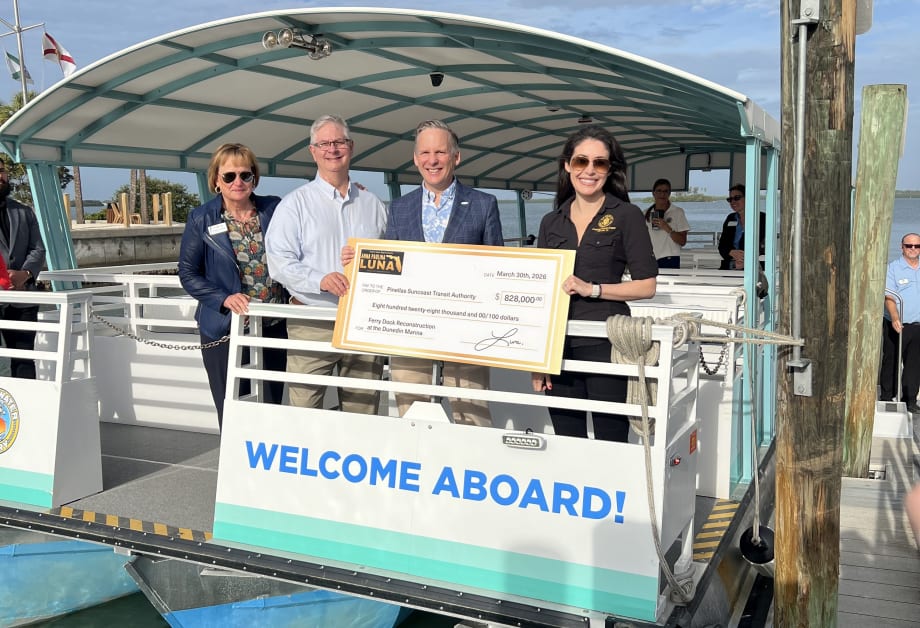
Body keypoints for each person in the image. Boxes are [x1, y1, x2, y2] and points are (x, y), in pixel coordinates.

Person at [531, 125, 657, 442]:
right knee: (566, 439)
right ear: (567, 166)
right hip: (560, 348)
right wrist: (538, 358)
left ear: (609, 169)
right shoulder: (551, 221)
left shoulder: (627, 215)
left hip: (607, 345)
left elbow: (646, 286)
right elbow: (543, 293)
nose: (589, 170)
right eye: (581, 161)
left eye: (599, 163)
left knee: (610, 439)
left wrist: (594, 289)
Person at [381, 119, 503, 426]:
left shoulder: (483, 204)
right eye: (425, 153)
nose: (432, 160)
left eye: (440, 152)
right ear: (415, 158)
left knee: (471, 414)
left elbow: (499, 268)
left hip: (466, 332)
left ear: (456, 157)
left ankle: (473, 470)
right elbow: (388, 267)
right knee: (411, 414)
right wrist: (359, 261)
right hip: (410, 330)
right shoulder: (399, 208)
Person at [266, 114, 387, 413]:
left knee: (364, 408)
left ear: (351, 147)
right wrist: (319, 280)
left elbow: (390, 258)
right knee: (304, 407)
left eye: (339, 142)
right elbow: (278, 261)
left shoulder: (373, 204)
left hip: (361, 321)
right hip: (312, 320)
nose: (332, 149)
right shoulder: (294, 204)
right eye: (324, 143)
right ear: (313, 151)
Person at [178, 143, 287, 429]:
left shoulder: (274, 209)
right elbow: (188, 273)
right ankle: (235, 466)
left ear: (255, 178)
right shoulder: (202, 218)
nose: (238, 182)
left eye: (245, 175)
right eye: (229, 176)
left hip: (273, 325)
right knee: (232, 407)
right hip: (224, 328)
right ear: (216, 180)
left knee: (272, 405)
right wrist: (224, 298)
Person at [0, 161, 46, 379]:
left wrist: (25, 274)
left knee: (24, 358)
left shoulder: (24, 212)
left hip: (23, 297)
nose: (0, 177)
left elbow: (38, 249)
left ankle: (27, 411)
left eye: (1, 171)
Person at [879, 233, 920, 412]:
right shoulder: (893, 269)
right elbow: (889, 297)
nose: (913, 249)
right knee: (892, 361)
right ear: (902, 247)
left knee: (914, 363)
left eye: (917, 246)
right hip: (896, 324)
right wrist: (895, 317)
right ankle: (886, 398)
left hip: (918, 326)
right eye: (909, 246)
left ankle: (910, 400)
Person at [717, 184, 766, 270]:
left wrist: (745, 260)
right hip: (730, 266)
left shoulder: (762, 218)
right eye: (730, 199)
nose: (733, 202)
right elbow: (722, 246)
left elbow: (763, 244)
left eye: (737, 198)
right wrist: (730, 252)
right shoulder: (730, 218)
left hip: (755, 266)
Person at [644, 178, 689, 268]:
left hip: (670, 259)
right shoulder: (645, 213)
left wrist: (667, 228)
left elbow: (682, 241)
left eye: (665, 191)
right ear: (653, 193)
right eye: (659, 191)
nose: (662, 194)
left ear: (669, 193)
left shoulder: (677, 212)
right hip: (650, 259)